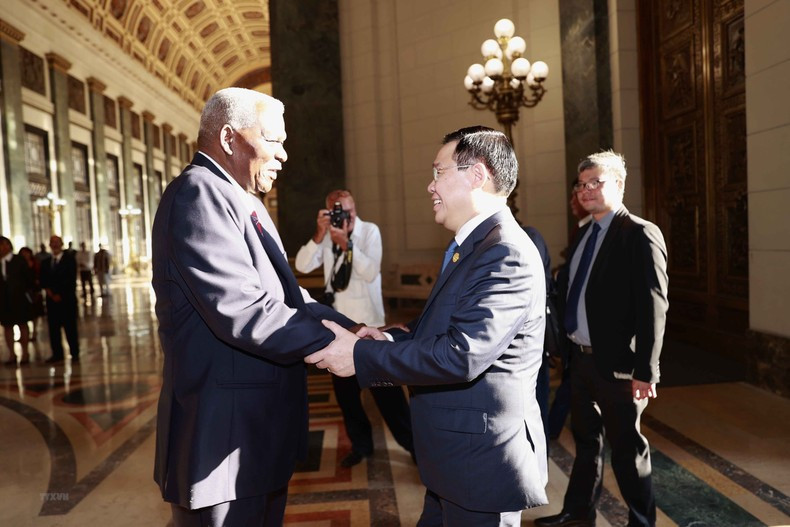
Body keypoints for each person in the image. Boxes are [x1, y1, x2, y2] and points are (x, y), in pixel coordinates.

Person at [306, 126, 549, 526]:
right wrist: (386, 336)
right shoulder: (473, 246)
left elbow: (461, 353)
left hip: (481, 464)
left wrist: (361, 354)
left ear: (477, 175)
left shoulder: (506, 252)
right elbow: (440, 324)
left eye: (439, 172)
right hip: (454, 461)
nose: (429, 185)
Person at [151, 87, 359, 527]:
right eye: (273, 140)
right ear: (229, 138)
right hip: (222, 441)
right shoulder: (198, 195)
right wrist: (344, 348)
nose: (284, 154)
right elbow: (245, 311)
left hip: (254, 440)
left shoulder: (242, 200)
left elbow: (287, 297)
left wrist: (353, 331)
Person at [534, 151, 668, 527]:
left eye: (597, 182)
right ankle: (578, 512)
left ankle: (642, 522)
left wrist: (647, 370)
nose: (587, 190)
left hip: (620, 367)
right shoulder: (582, 234)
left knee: (627, 451)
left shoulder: (640, 233)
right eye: (581, 184)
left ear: (619, 186)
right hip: (581, 361)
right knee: (586, 442)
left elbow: (653, 306)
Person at [295, 189, 414, 467]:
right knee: (348, 401)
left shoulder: (369, 232)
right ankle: (361, 447)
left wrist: (347, 244)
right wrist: (319, 233)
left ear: (355, 207)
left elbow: (371, 271)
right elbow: (302, 263)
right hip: (338, 333)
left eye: (348, 210)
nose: (344, 216)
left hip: (370, 331)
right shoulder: (326, 235)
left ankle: (415, 448)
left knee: (390, 398)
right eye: (337, 211)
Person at [547, 182, 592, 440]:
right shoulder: (581, 229)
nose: (573, 203)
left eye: (576, 198)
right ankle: (552, 426)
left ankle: (552, 426)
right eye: (573, 197)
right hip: (575, 333)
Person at [39, 235, 80, 363]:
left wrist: (60, 294)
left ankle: (74, 353)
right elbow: (43, 281)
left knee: (70, 328)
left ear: (61, 244)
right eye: (52, 242)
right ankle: (57, 354)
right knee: (53, 329)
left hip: (66, 300)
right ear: (49, 245)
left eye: (57, 242)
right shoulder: (46, 262)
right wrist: (51, 294)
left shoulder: (69, 260)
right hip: (52, 302)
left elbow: (71, 280)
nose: (55, 245)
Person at [0, 237, 35, 366]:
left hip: (19, 298)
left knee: (22, 324)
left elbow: (28, 279)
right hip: (3, 300)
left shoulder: (18, 260)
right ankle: (11, 354)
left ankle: (25, 352)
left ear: (7, 246)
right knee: (7, 326)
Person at [18, 246, 44, 344]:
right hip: (24, 291)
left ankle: (34, 332)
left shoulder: (36, 263)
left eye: (26, 253)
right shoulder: (19, 264)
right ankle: (25, 334)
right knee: (25, 314)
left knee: (35, 312)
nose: (25, 255)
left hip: (35, 290)